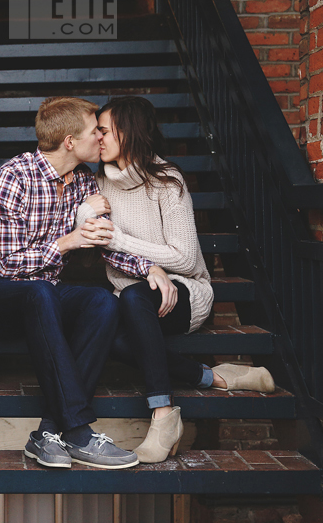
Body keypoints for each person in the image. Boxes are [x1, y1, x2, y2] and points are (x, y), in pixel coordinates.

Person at [0, 96, 178, 470]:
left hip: (42, 297)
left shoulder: (81, 182)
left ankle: (47, 433)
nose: (100, 136)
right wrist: (68, 241)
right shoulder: (13, 178)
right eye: (94, 130)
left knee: (102, 302)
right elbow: (7, 265)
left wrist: (148, 268)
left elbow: (99, 241)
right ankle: (78, 432)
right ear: (69, 141)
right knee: (39, 290)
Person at [77, 96, 275, 463]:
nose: (98, 138)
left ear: (128, 131)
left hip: (183, 294)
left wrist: (120, 240)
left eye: (104, 130)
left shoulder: (166, 181)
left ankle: (163, 414)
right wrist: (83, 217)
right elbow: (94, 249)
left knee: (136, 298)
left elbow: (184, 257)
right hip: (131, 298)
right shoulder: (98, 185)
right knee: (116, 332)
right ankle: (216, 378)